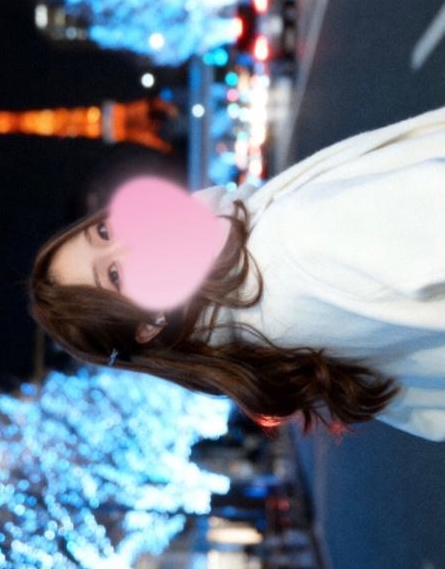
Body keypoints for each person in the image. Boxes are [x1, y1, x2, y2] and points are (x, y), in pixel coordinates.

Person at [26, 104, 445, 442]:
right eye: (115, 275)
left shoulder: (256, 337)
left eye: (103, 233)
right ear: (149, 323)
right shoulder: (286, 248)